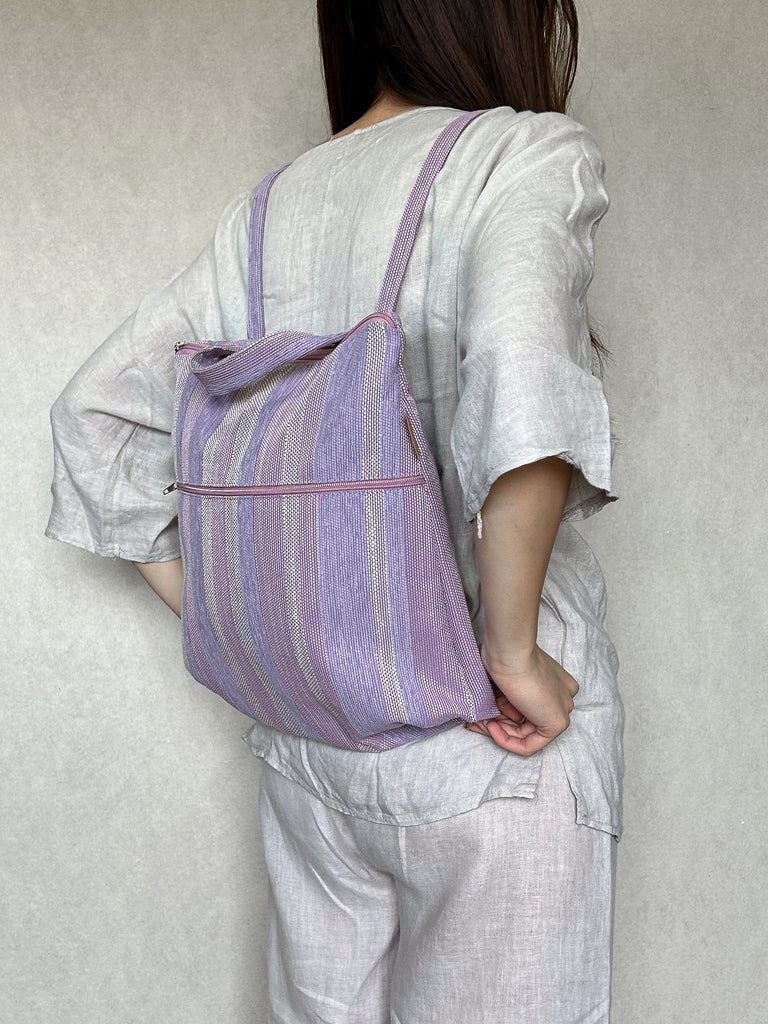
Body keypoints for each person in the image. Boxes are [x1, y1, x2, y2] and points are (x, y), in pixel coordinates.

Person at [44, 1, 625, 1020]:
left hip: (315, 756)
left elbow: (95, 421)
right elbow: (524, 387)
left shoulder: (269, 211)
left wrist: (251, 634)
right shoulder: (520, 156)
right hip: (493, 750)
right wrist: (511, 654)